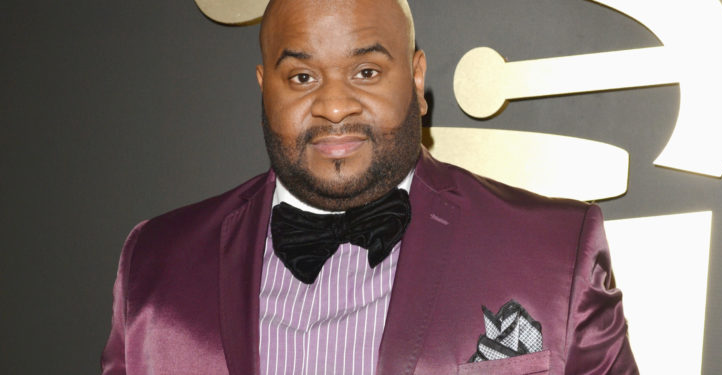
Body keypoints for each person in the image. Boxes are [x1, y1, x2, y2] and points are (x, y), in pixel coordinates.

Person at [101, 0, 638, 374]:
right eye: (302, 78)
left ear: (417, 78)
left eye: (365, 72)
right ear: (265, 89)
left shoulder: (553, 251)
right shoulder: (156, 262)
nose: (335, 106)